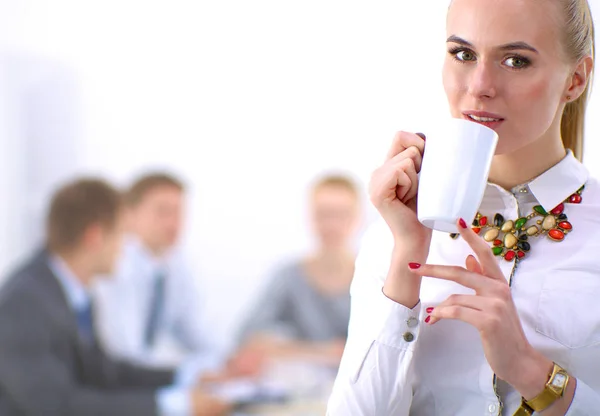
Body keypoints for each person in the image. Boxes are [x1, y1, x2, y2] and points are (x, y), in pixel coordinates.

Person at [328, 0, 598, 415]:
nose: (479, 86)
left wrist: (532, 373)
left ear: (575, 79)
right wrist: (406, 254)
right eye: (464, 54)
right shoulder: (397, 226)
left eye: (515, 60)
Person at [0, 178, 230, 416]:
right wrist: (170, 406)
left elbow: (105, 372)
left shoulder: (72, 292)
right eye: (122, 234)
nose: (125, 248)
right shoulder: (24, 303)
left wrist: (183, 376)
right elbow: (56, 405)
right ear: (95, 237)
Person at [94, 172, 258, 380]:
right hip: (116, 385)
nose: (173, 223)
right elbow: (129, 356)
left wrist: (231, 358)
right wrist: (195, 372)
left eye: (178, 212)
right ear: (129, 216)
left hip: (145, 377)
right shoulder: (115, 266)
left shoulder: (173, 261)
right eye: (162, 212)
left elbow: (192, 327)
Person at [239, 174, 362, 365]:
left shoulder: (375, 278)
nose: (332, 225)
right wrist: (323, 353)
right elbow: (248, 339)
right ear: (310, 216)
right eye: (323, 214)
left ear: (357, 218)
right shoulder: (288, 276)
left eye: (341, 214)